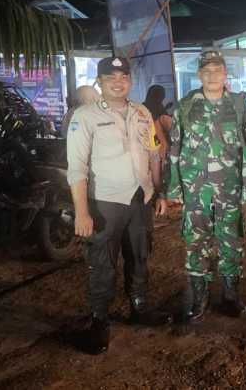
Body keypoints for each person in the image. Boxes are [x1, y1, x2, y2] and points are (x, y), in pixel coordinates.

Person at [66, 57, 171, 355]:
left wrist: (158, 191)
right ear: (99, 81)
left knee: (139, 256)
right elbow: (77, 168)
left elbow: (154, 154)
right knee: (103, 265)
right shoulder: (84, 117)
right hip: (105, 204)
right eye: (110, 76)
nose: (118, 81)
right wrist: (82, 211)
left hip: (141, 200)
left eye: (123, 76)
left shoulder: (141, 113)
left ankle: (139, 307)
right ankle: (99, 322)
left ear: (130, 80)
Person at [161, 49, 246, 325]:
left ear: (226, 74)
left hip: (229, 188)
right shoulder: (184, 106)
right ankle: (199, 295)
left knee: (231, 241)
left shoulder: (239, 107)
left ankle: (230, 294)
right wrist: (174, 189)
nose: (212, 75)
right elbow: (174, 150)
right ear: (199, 74)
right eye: (207, 70)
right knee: (195, 242)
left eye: (218, 70)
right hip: (196, 189)